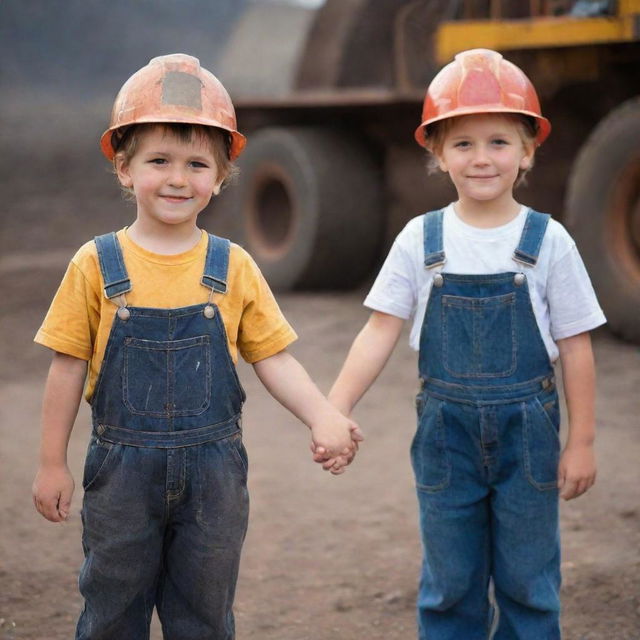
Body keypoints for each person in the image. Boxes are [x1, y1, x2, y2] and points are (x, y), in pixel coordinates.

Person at [31, 53, 361, 640]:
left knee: (203, 615)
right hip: (121, 474)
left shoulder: (231, 266)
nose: (179, 178)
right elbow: (67, 364)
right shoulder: (95, 263)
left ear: (222, 175)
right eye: (159, 160)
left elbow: (273, 357)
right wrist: (52, 462)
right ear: (125, 169)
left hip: (214, 477)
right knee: (111, 607)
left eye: (197, 164)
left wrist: (324, 415)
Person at [319, 49, 606, 638]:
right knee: (451, 583)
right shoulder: (420, 239)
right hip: (445, 435)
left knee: (530, 581)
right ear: (437, 153)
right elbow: (379, 329)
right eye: (464, 143)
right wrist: (334, 409)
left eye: (499, 142)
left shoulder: (548, 240)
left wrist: (580, 442)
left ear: (528, 150)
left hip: (529, 434)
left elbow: (575, 345)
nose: (482, 159)